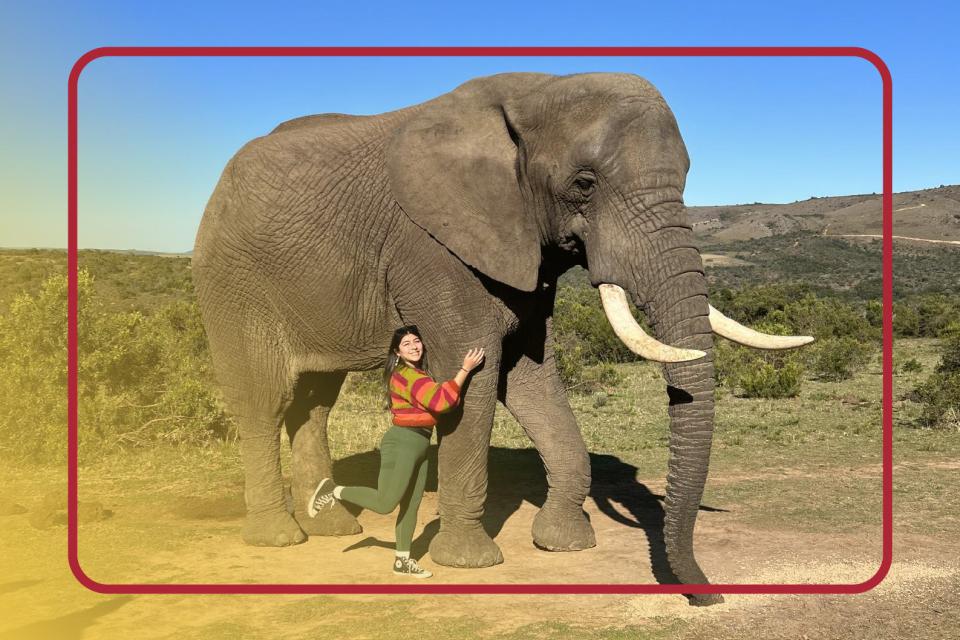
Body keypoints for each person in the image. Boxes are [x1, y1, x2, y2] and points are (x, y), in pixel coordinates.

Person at [308, 325, 485, 579]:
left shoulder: (419, 373)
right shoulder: (404, 375)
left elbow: (439, 398)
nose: (414, 346)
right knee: (385, 502)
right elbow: (441, 401)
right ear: (397, 352)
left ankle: (402, 560)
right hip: (402, 442)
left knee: (411, 506)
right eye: (406, 344)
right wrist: (465, 369)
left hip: (421, 443)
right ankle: (333, 490)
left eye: (416, 341)